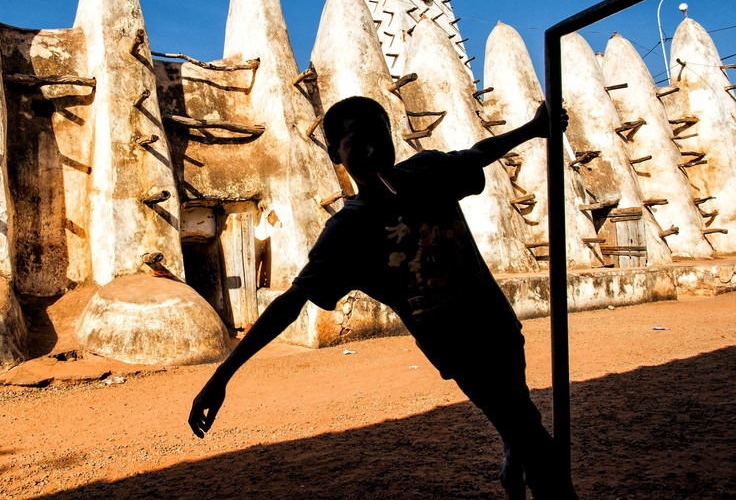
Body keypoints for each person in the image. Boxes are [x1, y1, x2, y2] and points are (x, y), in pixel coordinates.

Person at [189, 96, 577, 499]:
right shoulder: (347, 232)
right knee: (536, 443)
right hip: (459, 350)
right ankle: (531, 467)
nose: (373, 150)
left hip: (499, 325)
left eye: (381, 137)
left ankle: (515, 463)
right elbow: (290, 303)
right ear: (335, 154)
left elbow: (478, 155)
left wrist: (534, 128)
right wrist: (222, 377)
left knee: (518, 411)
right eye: (357, 143)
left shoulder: (428, 170)